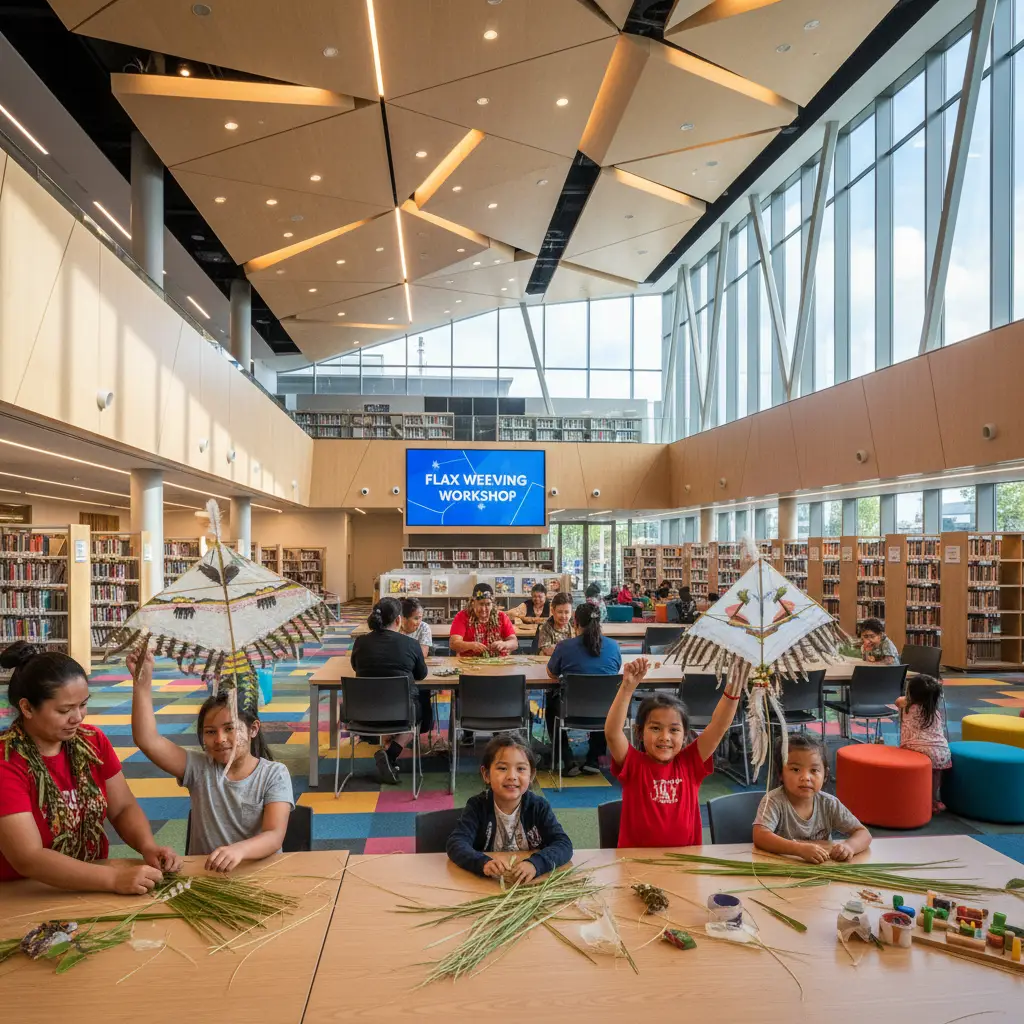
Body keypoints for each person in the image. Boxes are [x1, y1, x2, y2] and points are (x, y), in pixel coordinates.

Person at [0, 641, 182, 892]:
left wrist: (147, 845)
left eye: (83, 704)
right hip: (28, 892)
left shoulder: (92, 741)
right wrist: (113, 879)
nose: (78, 717)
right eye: (65, 710)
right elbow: (28, 857)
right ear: (27, 708)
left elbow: (122, 808)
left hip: (91, 883)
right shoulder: (7, 760)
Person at [130, 648, 293, 871]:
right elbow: (147, 740)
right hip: (205, 876)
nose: (220, 739)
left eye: (230, 728)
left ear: (253, 729)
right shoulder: (199, 768)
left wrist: (239, 850)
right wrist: (142, 683)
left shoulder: (274, 773)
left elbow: (274, 835)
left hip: (258, 875)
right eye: (210, 732)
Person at [604, 659, 743, 848]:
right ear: (639, 732)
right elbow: (613, 734)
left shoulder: (690, 763)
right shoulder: (633, 764)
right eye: (655, 728)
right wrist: (627, 689)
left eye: (674, 730)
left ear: (685, 735)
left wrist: (734, 688)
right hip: (636, 866)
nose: (665, 737)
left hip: (685, 863)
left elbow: (718, 726)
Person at [446, 734, 572, 882]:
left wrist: (536, 864)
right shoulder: (477, 806)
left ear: (531, 775)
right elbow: (456, 843)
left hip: (529, 883)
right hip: (489, 883)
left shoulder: (538, 807)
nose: (512, 776)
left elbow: (563, 844)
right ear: (486, 774)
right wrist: (483, 862)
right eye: (502, 768)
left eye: (520, 768)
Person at [753, 733, 872, 862]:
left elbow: (863, 833)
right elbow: (760, 835)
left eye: (814, 770)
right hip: (785, 868)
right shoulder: (774, 801)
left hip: (821, 870)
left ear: (825, 775)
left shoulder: (829, 804)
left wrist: (849, 847)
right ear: (781, 773)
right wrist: (799, 849)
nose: (806, 777)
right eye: (795, 769)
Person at [350, 597, 429, 785]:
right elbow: (422, 674)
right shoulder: (410, 645)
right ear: (398, 620)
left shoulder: (360, 642)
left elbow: (355, 667)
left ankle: (388, 755)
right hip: (401, 713)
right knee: (418, 711)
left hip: (363, 712)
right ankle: (391, 754)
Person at [546, 603, 621, 776]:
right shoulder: (614, 646)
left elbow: (551, 673)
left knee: (551, 705)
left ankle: (567, 759)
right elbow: (613, 673)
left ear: (575, 622)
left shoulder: (565, 646)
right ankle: (594, 758)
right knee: (603, 697)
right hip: (605, 713)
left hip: (570, 711)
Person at [896, 674, 951, 813]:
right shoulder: (934, 711)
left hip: (915, 749)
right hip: (941, 752)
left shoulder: (907, 707)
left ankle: (919, 799)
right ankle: (934, 800)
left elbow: (898, 700)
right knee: (935, 774)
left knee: (920, 772)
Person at [449, 583, 518, 657]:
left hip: (498, 662)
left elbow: (514, 643)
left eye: (488, 604)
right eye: (481, 604)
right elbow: (453, 643)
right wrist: (471, 645)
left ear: (492, 604)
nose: (484, 609)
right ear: (473, 603)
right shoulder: (462, 616)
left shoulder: (501, 617)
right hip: (470, 663)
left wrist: (504, 644)